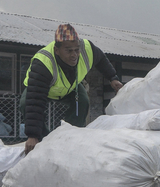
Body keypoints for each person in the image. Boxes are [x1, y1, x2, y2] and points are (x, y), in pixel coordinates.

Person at [20, 23, 123, 154]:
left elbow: (101, 60)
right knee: (25, 103)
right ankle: (43, 139)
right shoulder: (43, 62)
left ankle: (71, 137)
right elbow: (35, 100)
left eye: (76, 50)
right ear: (57, 50)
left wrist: (112, 78)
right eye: (68, 50)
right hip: (42, 89)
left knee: (83, 100)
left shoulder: (86, 49)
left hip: (70, 88)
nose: (74, 55)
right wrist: (33, 135)